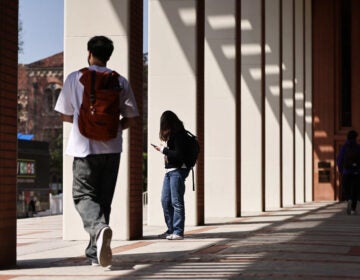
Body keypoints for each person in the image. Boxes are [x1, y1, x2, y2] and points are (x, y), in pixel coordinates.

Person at [54, 36, 139, 267]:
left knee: (83, 196)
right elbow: (131, 119)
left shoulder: (75, 78)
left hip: (84, 149)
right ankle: (95, 254)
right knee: (103, 201)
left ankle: (99, 232)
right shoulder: (119, 81)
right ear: (109, 55)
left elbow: (63, 114)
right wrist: (113, 129)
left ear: (89, 53)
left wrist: (85, 124)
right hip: (112, 149)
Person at [152, 111, 190, 240]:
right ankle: (171, 229)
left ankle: (178, 231)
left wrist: (163, 150)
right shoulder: (173, 136)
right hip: (169, 172)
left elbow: (179, 155)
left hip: (178, 171)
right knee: (165, 200)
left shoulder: (180, 136)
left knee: (176, 201)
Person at [336, 130, 360, 215]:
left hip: (346, 172)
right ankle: (353, 209)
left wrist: (341, 170)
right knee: (355, 190)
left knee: (346, 188)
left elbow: (339, 159)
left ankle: (348, 198)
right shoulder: (358, 147)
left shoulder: (344, 147)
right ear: (356, 137)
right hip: (356, 172)